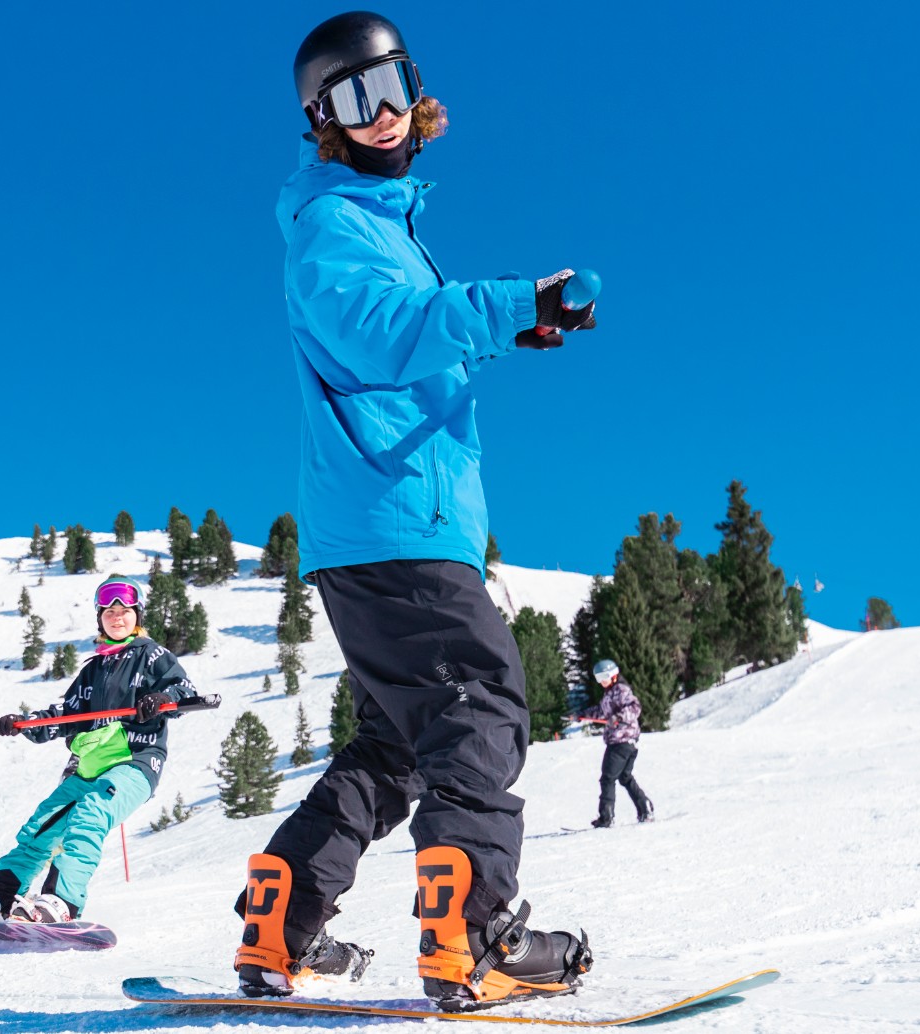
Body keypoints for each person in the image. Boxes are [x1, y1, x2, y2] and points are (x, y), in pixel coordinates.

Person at [231, 11, 595, 1013]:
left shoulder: (373, 219)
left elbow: (403, 346)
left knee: (396, 741)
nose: (382, 114)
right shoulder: (330, 223)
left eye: (391, 86)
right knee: (479, 701)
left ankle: (277, 923)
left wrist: (502, 337)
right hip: (393, 521)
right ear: (321, 118)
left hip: (377, 524)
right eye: (354, 99)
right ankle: (470, 938)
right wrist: (514, 301)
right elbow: (382, 335)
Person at [0, 576, 197, 923]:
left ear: (137, 615)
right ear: (100, 618)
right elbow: (66, 716)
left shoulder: (152, 655)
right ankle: (4, 899)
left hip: (135, 762)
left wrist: (161, 699)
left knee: (91, 814)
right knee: (41, 827)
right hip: (88, 767)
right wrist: (23, 723)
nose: (117, 617)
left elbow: (184, 690)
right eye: (109, 611)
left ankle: (60, 901)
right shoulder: (94, 669)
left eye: (125, 610)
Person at [576, 660, 654, 828]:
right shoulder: (609, 694)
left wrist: (618, 717)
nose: (601, 681)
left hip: (622, 741)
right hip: (627, 742)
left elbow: (635, 707)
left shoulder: (621, 690)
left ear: (613, 675)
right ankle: (645, 808)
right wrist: (581, 715)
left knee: (607, 778)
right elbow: (601, 712)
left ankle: (606, 817)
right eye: (598, 678)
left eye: (604, 677)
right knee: (625, 777)